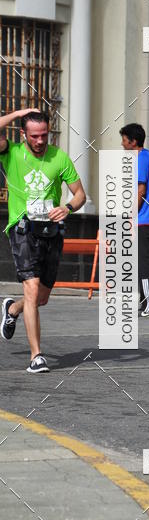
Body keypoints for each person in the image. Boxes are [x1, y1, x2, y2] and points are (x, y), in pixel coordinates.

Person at [0, 108, 86, 373]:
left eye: (44, 135)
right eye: (34, 136)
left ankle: (12, 309)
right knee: (33, 287)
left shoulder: (59, 158)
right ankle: (36, 356)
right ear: (23, 134)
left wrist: (68, 208)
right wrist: (20, 112)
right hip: (23, 228)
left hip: (52, 230)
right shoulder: (12, 153)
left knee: (42, 297)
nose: (40, 141)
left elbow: (80, 194)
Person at [119, 123, 149, 318]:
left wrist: (130, 215)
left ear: (133, 141)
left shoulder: (140, 159)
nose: (122, 144)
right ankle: (147, 301)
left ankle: (148, 305)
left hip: (144, 220)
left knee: (145, 264)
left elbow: (140, 190)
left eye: (124, 140)